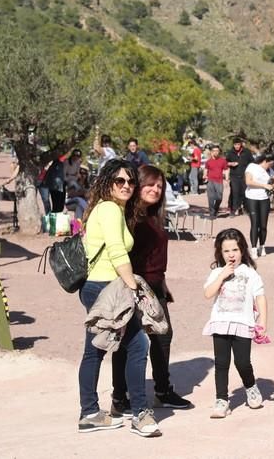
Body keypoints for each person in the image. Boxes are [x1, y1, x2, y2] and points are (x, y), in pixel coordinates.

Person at [78, 159, 160, 437]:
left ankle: (89, 412)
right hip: (107, 289)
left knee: (95, 350)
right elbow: (116, 251)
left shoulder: (108, 209)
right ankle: (139, 414)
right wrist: (133, 288)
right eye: (119, 181)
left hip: (99, 287)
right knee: (137, 345)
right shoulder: (110, 209)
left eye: (130, 181)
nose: (126, 186)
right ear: (107, 183)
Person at [111, 165, 192, 419]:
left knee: (162, 337)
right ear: (139, 183)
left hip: (155, 287)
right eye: (151, 184)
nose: (155, 189)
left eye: (160, 186)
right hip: (135, 287)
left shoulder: (155, 215)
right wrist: (132, 287)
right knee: (130, 342)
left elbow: (155, 255)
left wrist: (163, 284)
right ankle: (119, 397)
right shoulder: (127, 216)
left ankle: (163, 390)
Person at [203, 228, 267, 418]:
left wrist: (262, 322)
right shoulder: (216, 272)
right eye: (226, 251)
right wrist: (222, 275)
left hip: (243, 323)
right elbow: (207, 294)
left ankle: (251, 386)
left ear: (243, 251)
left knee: (243, 363)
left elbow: (260, 297)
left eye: (235, 250)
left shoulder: (250, 273)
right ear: (220, 253)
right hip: (221, 322)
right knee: (221, 363)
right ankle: (222, 400)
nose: (231, 255)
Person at [245, 153, 274, 258]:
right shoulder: (252, 167)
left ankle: (262, 246)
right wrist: (264, 185)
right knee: (255, 224)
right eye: (270, 164)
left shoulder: (270, 171)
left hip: (264, 199)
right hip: (252, 198)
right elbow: (248, 181)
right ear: (265, 161)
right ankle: (254, 248)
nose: (270, 167)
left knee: (263, 225)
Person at [226, 136, 254, 216]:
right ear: (233, 145)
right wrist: (231, 164)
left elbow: (252, 162)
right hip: (234, 176)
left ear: (241, 144)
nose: (237, 146)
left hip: (244, 176)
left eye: (238, 144)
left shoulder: (246, 152)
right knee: (235, 192)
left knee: (244, 192)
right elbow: (226, 162)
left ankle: (245, 209)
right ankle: (234, 209)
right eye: (235, 145)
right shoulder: (230, 152)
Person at [205, 144, 229, 218]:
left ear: (219, 152)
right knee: (211, 198)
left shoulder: (223, 161)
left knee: (219, 197)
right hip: (210, 181)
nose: (216, 152)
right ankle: (212, 213)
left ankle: (216, 209)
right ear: (211, 152)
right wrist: (205, 175)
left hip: (219, 181)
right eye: (214, 151)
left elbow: (226, 169)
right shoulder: (208, 161)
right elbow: (206, 169)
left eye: (217, 151)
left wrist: (227, 179)